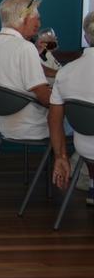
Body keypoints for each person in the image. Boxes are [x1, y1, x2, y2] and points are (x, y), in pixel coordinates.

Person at [0, 0, 54, 142]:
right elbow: (45, 98)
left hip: (6, 125)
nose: (39, 24)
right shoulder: (25, 47)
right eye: (36, 18)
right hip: (34, 125)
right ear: (24, 18)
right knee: (83, 126)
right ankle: (67, 162)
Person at [48, 12, 94, 204]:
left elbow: (54, 119)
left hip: (85, 149)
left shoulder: (66, 72)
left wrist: (60, 156)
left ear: (85, 37)